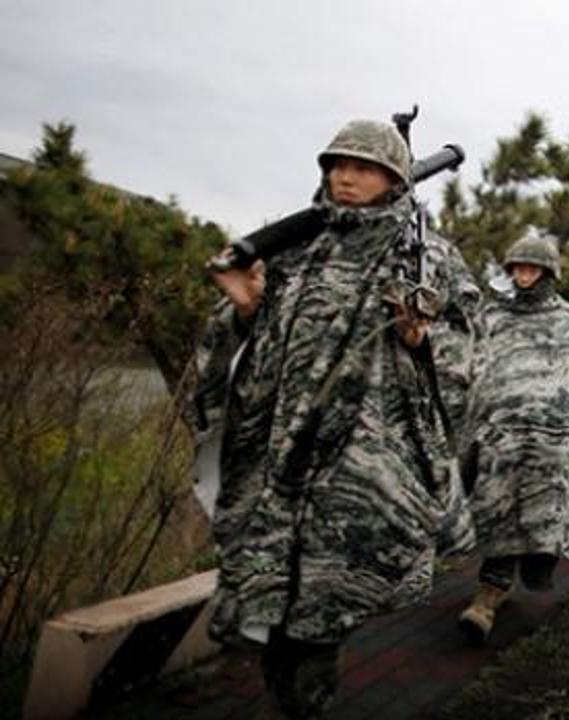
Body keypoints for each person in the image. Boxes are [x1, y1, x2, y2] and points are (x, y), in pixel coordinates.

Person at [190, 119, 474, 718]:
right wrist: (244, 312)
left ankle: (300, 702)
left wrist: (421, 340)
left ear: (394, 178)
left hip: (360, 465)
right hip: (276, 456)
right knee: (270, 596)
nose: (344, 177)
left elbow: (470, 350)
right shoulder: (295, 250)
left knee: (322, 608)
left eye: (362, 167)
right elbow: (232, 351)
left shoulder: (427, 258)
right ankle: (289, 695)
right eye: (336, 165)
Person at [457, 232, 569, 643]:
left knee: (538, 514)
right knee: (497, 509)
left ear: (547, 272)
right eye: (518, 267)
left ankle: (508, 584)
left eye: (532, 268)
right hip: (500, 433)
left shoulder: (565, 320)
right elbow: (475, 364)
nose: (523, 275)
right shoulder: (493, 315)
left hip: (549, 437)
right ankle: (488, 594)